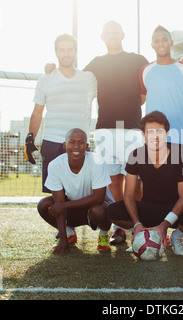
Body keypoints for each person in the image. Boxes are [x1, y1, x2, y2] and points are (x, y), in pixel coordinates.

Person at [45, 21, 149, 244]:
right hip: (105, 130)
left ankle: (139, 224)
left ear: (123, 34)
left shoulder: (138, 60)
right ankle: (121, 226)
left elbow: (144, 94)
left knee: (136, 182)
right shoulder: (97, 63)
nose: (112, 36)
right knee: (114, 182)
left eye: (115, 32)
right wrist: (52, 69)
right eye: (107, 33)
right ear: (102, 36)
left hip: (132, 128)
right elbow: (75, 76)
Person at [106, 111, 183, 255]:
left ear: (167, 133)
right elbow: (128, 194)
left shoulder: (180, 153)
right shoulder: (136, 154)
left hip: (173, 210)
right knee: (112, 211)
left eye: (159, 131)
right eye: (149, 132)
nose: (155, 136)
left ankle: (176, 237)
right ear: (143, 135)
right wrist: (137, 223)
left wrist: (164, 225)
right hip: (148, 208)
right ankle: (140, 233)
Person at [25, 34, 97, 193]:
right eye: (62, 50)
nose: (66, 53)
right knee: (54, 197)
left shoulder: (89, 79)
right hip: (52, 142)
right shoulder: (46, 79)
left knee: (82, 193)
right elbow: (37, 112)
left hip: (79, 143)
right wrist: (30, 138)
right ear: (56, 52)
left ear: (76, 52)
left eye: (70, 49)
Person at [37, 128, 113, 254]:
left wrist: (64, 205)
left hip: (94, 209)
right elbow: (59, 203)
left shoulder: (97, 162)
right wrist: (62, 239)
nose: (76, 146)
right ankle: (68, 233)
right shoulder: (55, 165)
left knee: (99, 210)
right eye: (72, 142)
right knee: (44, 205)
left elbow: (98, 198)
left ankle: (104, 234)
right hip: (71, 209)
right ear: (64, 145)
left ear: (87, 146)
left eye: (81, 142)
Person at [139, 25, 183, 145]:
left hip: (179, 138)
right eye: (156, 41)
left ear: (171, 42)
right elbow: (140, 101)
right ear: (152, 45)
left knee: (180, 164)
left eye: (164, 40)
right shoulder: (145, 70)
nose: (161, 44)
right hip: (153, 140)